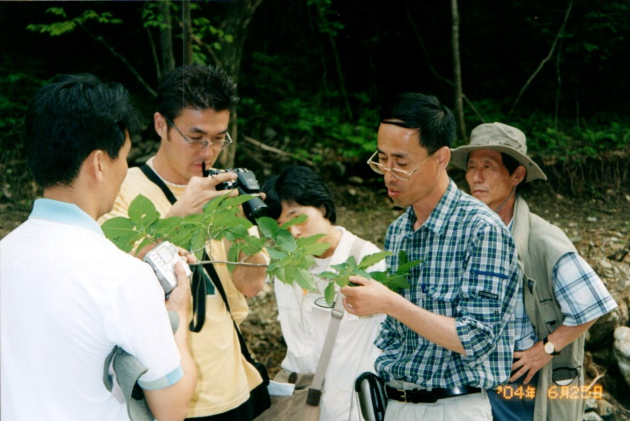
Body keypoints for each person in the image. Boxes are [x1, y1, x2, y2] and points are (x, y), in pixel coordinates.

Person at [0, 74, 197, 420]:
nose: (126, 169)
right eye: (124, 157)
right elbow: (172, 408)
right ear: (99, 164)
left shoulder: (6, 253)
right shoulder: (122, 278)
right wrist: (179, 315)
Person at [100, 65, 268, 420]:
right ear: (161, 125)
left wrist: (244, 228)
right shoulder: (122, 190)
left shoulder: (225, 190)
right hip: (167, 395)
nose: (209, 150)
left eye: (220, 137)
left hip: (233, 387)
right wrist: (181, 213)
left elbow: (251, 285)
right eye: (196, 137)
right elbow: (112, 276)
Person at [340, 93, 520, 421]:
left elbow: (476, 338)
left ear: (441, 157)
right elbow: (395, 332)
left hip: (454, 408)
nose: (388, 174)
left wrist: (389, 303)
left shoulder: (482, 229)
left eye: (402, 162)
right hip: (396, 405)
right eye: (381, 159)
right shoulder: (398, 231)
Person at [450, 122, 618, 421]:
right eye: (471, 166)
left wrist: (546, 349)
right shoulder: (466, 233)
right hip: (474, 381)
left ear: (517, 175)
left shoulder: (542, 239)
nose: (475, 177)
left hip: (520, 386)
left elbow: (592, 305)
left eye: (488, 166)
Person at [261, 165, 387, 421]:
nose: (293, 232)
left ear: (322, 207)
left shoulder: (365, 261)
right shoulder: (285, 266)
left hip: (351, 409)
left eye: (298, 218)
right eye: (281, 227)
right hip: (298, 406)